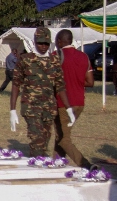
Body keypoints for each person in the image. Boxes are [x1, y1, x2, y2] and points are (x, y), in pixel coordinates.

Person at [10, 27, 76, 157]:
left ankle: (36, 164)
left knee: (44, 141)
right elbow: (16, 85)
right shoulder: (25, 60)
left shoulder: (54, 61)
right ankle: (38, 167)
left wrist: (69, 108)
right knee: (37, 140)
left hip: (48, 108)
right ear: (34, 41)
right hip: (31, 108)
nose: (43, 46)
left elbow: (60, 86)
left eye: (46, 43)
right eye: (40, 43)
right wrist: (12, 110)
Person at [53, 29, 95, 168]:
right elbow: (90, 82)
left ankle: (86, 165)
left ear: (59, 41)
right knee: (60, 134)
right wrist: (76, 81)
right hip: (79, 103)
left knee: (64, 139)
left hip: (63, 104)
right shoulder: (84, 57)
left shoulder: (57, 55)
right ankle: (56, 163)